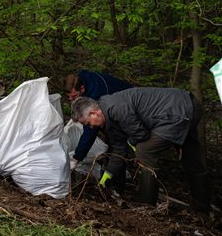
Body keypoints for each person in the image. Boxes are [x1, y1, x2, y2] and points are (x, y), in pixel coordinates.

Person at [70, 89, 210, 211]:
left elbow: (141, 135)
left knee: (144, 150)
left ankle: (147, 204)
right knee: (190, 156)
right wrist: (107, 176)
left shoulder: (116, 108)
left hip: (179, 111)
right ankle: (202, 204)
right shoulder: (109, 115)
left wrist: (132, 142)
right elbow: (119, 150)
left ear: (94, 113)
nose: (91, 127)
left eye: (88, 123)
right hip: (185, 107)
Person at [64, 70, 133, 170]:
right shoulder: (80, 79)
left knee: (117, 143)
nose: (71, 99)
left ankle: (117, 177)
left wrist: (77, 157)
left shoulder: (97, 96)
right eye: (68, 97)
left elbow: (90, 130)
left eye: (74, 96)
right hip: (119, 105)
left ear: (82, 89)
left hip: (128, 107)